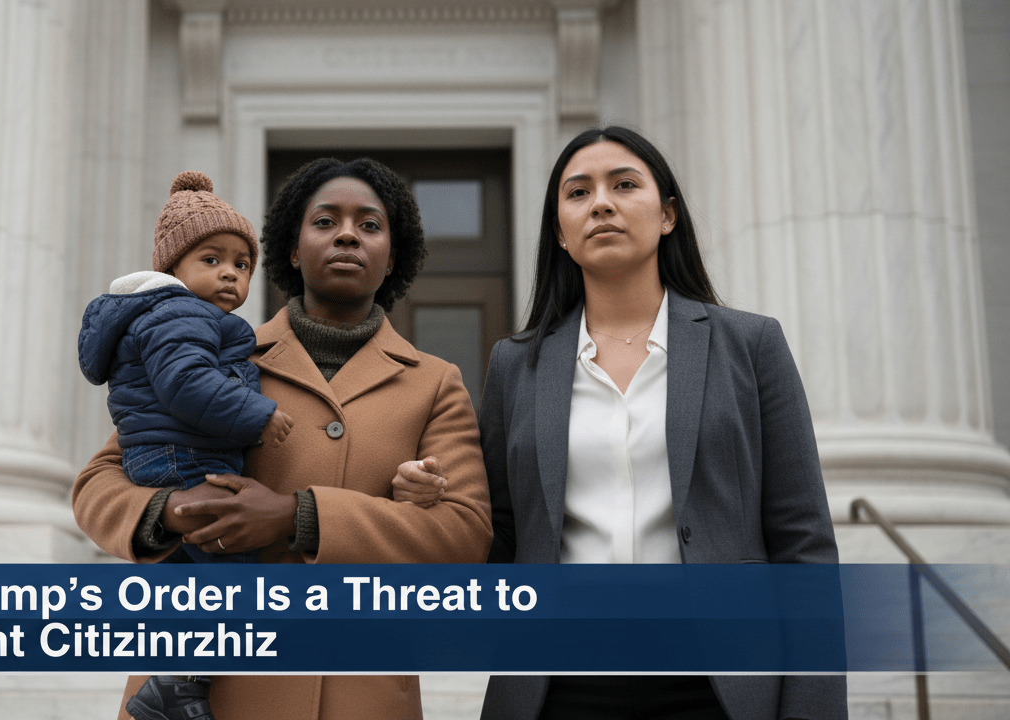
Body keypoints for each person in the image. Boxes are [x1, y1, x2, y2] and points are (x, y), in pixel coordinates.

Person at [71, 157, 492, 720]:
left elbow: (465, 534)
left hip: (360, 693)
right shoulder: (213, 351)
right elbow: (99, 482)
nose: (347, 233)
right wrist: (169, 511)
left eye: (370, 225)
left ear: (393, 257)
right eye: (325, 222)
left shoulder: (436, 383)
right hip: (207, 696)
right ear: (292, 250)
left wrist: (300, 517)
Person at [467, 126, 842, 719]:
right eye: (578, 193)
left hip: (718, 680)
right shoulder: (516, 365)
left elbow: (805, 544)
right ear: (561, 235)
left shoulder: (751, 344)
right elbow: (501, 535)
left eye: (623, 185)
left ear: (667, 215)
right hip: (559, 683)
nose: (602, 203)